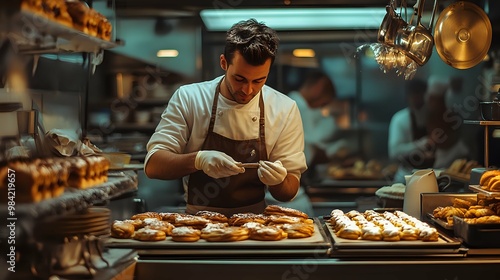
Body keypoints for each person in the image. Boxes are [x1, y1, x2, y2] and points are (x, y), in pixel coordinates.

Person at [144, 19, 307, 216]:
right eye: (239, 79)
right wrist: (199, 160)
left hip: (254, 225)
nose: (248, 90)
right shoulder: (190, 98)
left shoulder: (284, 108)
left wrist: (278, 181)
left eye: (259, 80)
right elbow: (153, 165)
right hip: (197, 222)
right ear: (223, 63)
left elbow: (289, 191)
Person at [287, 70, 350, 179]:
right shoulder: (296, 107)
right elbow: (309, 150)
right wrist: (333, 153)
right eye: (324, 103)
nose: (321, 108)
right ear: (318, 87)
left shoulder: (299, 106)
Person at [388, 78, 433, 183]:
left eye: (419, 93)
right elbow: (394, 152)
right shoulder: (399, 119)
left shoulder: (432, 116)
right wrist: (421, 145)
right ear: (407, 96)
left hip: (431, 176)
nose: (416, 97)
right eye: (413, 94)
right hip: (405, 177)